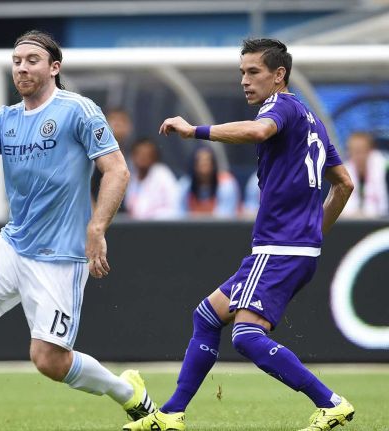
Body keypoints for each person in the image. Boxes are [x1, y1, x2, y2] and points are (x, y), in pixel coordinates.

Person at [0, 30, 155, 431]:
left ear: (54, 67)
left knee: (49, 361)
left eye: (32, 60)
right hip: (14, 243)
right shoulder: (4, 119)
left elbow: (117, 170)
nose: (22, 68)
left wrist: (97, 228)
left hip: (61, 255)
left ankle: (127, 392)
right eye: (17, 61)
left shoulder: (78, 110)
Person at [125, 38, 355, 431]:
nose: (245, 81)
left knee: (247, 336)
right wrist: (313, 235)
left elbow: (258, 131)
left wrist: (194, 130)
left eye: (253, 72)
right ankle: (172, 413)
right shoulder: (310, 119)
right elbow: (344, 184)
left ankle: (330, 402)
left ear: (279, 75)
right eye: (242, 73)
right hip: (291, 247)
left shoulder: (280, 107)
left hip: (279, 247)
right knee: (207, 316)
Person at [123, 138, 180, 219]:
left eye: (147, 154)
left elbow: (174, 207)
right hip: (136, 224)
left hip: (160, 224)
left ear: (154, 157)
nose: (142, 157)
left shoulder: (162, 174)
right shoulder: (130, 177)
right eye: (139, 154)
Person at [179, 145, 240, 218]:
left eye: (207, 161)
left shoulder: (226, 184)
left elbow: (224, 219)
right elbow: (179, 215)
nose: (203, 164)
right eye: (199, 161)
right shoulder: (185, 185)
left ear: (214, 164)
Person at [91, 108, 134, 204]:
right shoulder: (93, 156)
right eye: (113, 119)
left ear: (129, 127)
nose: (117, 124)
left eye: (122, 120)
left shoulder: (134, 158)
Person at [341, 131, 388, 217]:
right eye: (354, 151)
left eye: (361, 151)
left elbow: (383, 208)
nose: (358, 156)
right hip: (353, 221)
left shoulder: (385, 170)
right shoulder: (343, 171)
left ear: (370, 150)